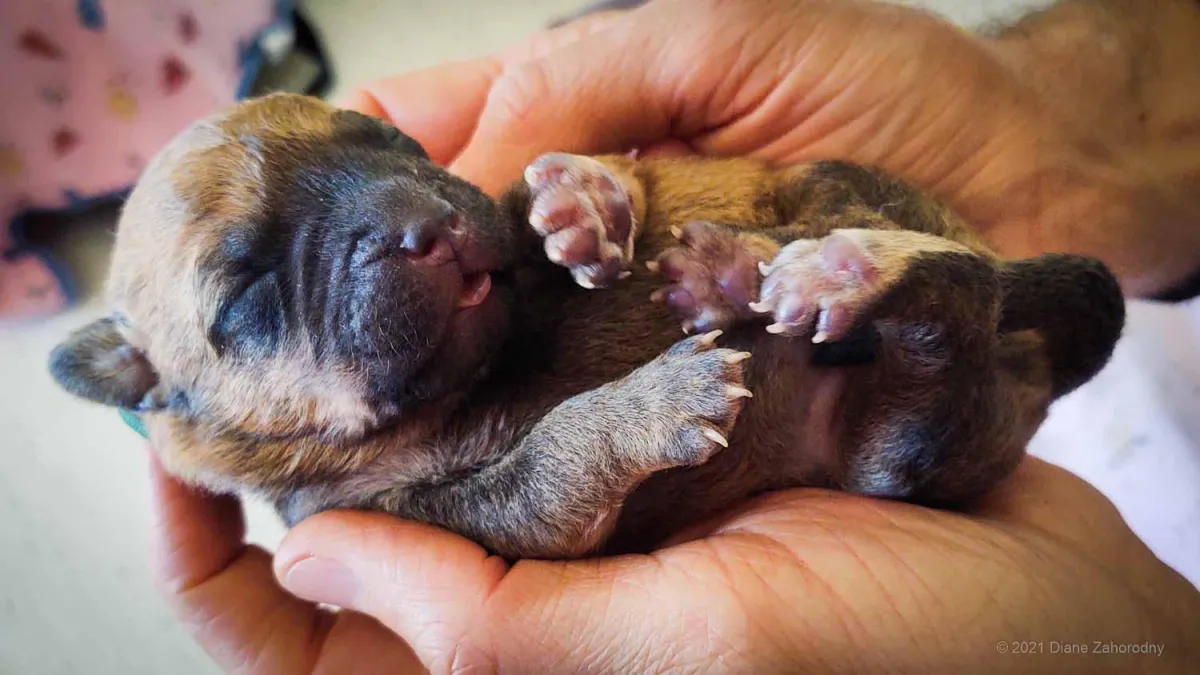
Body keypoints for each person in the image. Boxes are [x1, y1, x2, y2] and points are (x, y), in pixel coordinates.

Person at [146, 0, 1200, 673]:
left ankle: (902, 269)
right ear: (171, 397)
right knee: (897, 454)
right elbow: (502, 505)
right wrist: (622, 426)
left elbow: (638, 185)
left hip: (815, 231)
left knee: (833, 216)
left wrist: (592, 187)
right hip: (865, 422)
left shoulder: (500, 233)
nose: (405, 217)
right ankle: (921, 292)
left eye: (384, 153)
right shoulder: (351, 486)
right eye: (251, 294)